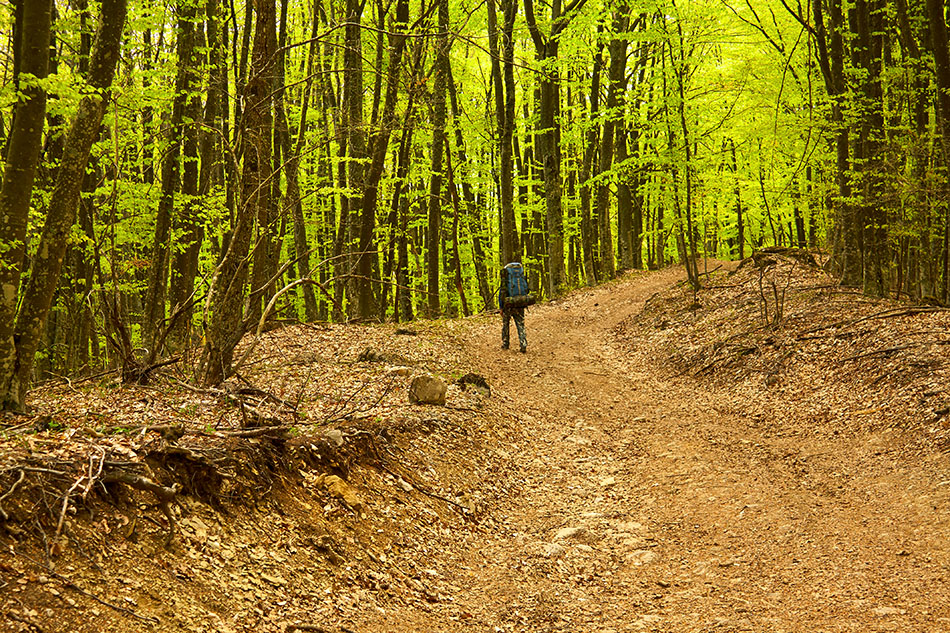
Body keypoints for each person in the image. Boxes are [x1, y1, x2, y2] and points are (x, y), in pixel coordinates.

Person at [499, 262, 528, 353]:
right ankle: (523, 343)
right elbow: (526, 289)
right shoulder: (520, 276)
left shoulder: (505, 279)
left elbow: (502, 292)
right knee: (520, 323)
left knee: (506, 323)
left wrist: (501, 307)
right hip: (520, 301)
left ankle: (505, 343)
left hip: (508, 304)